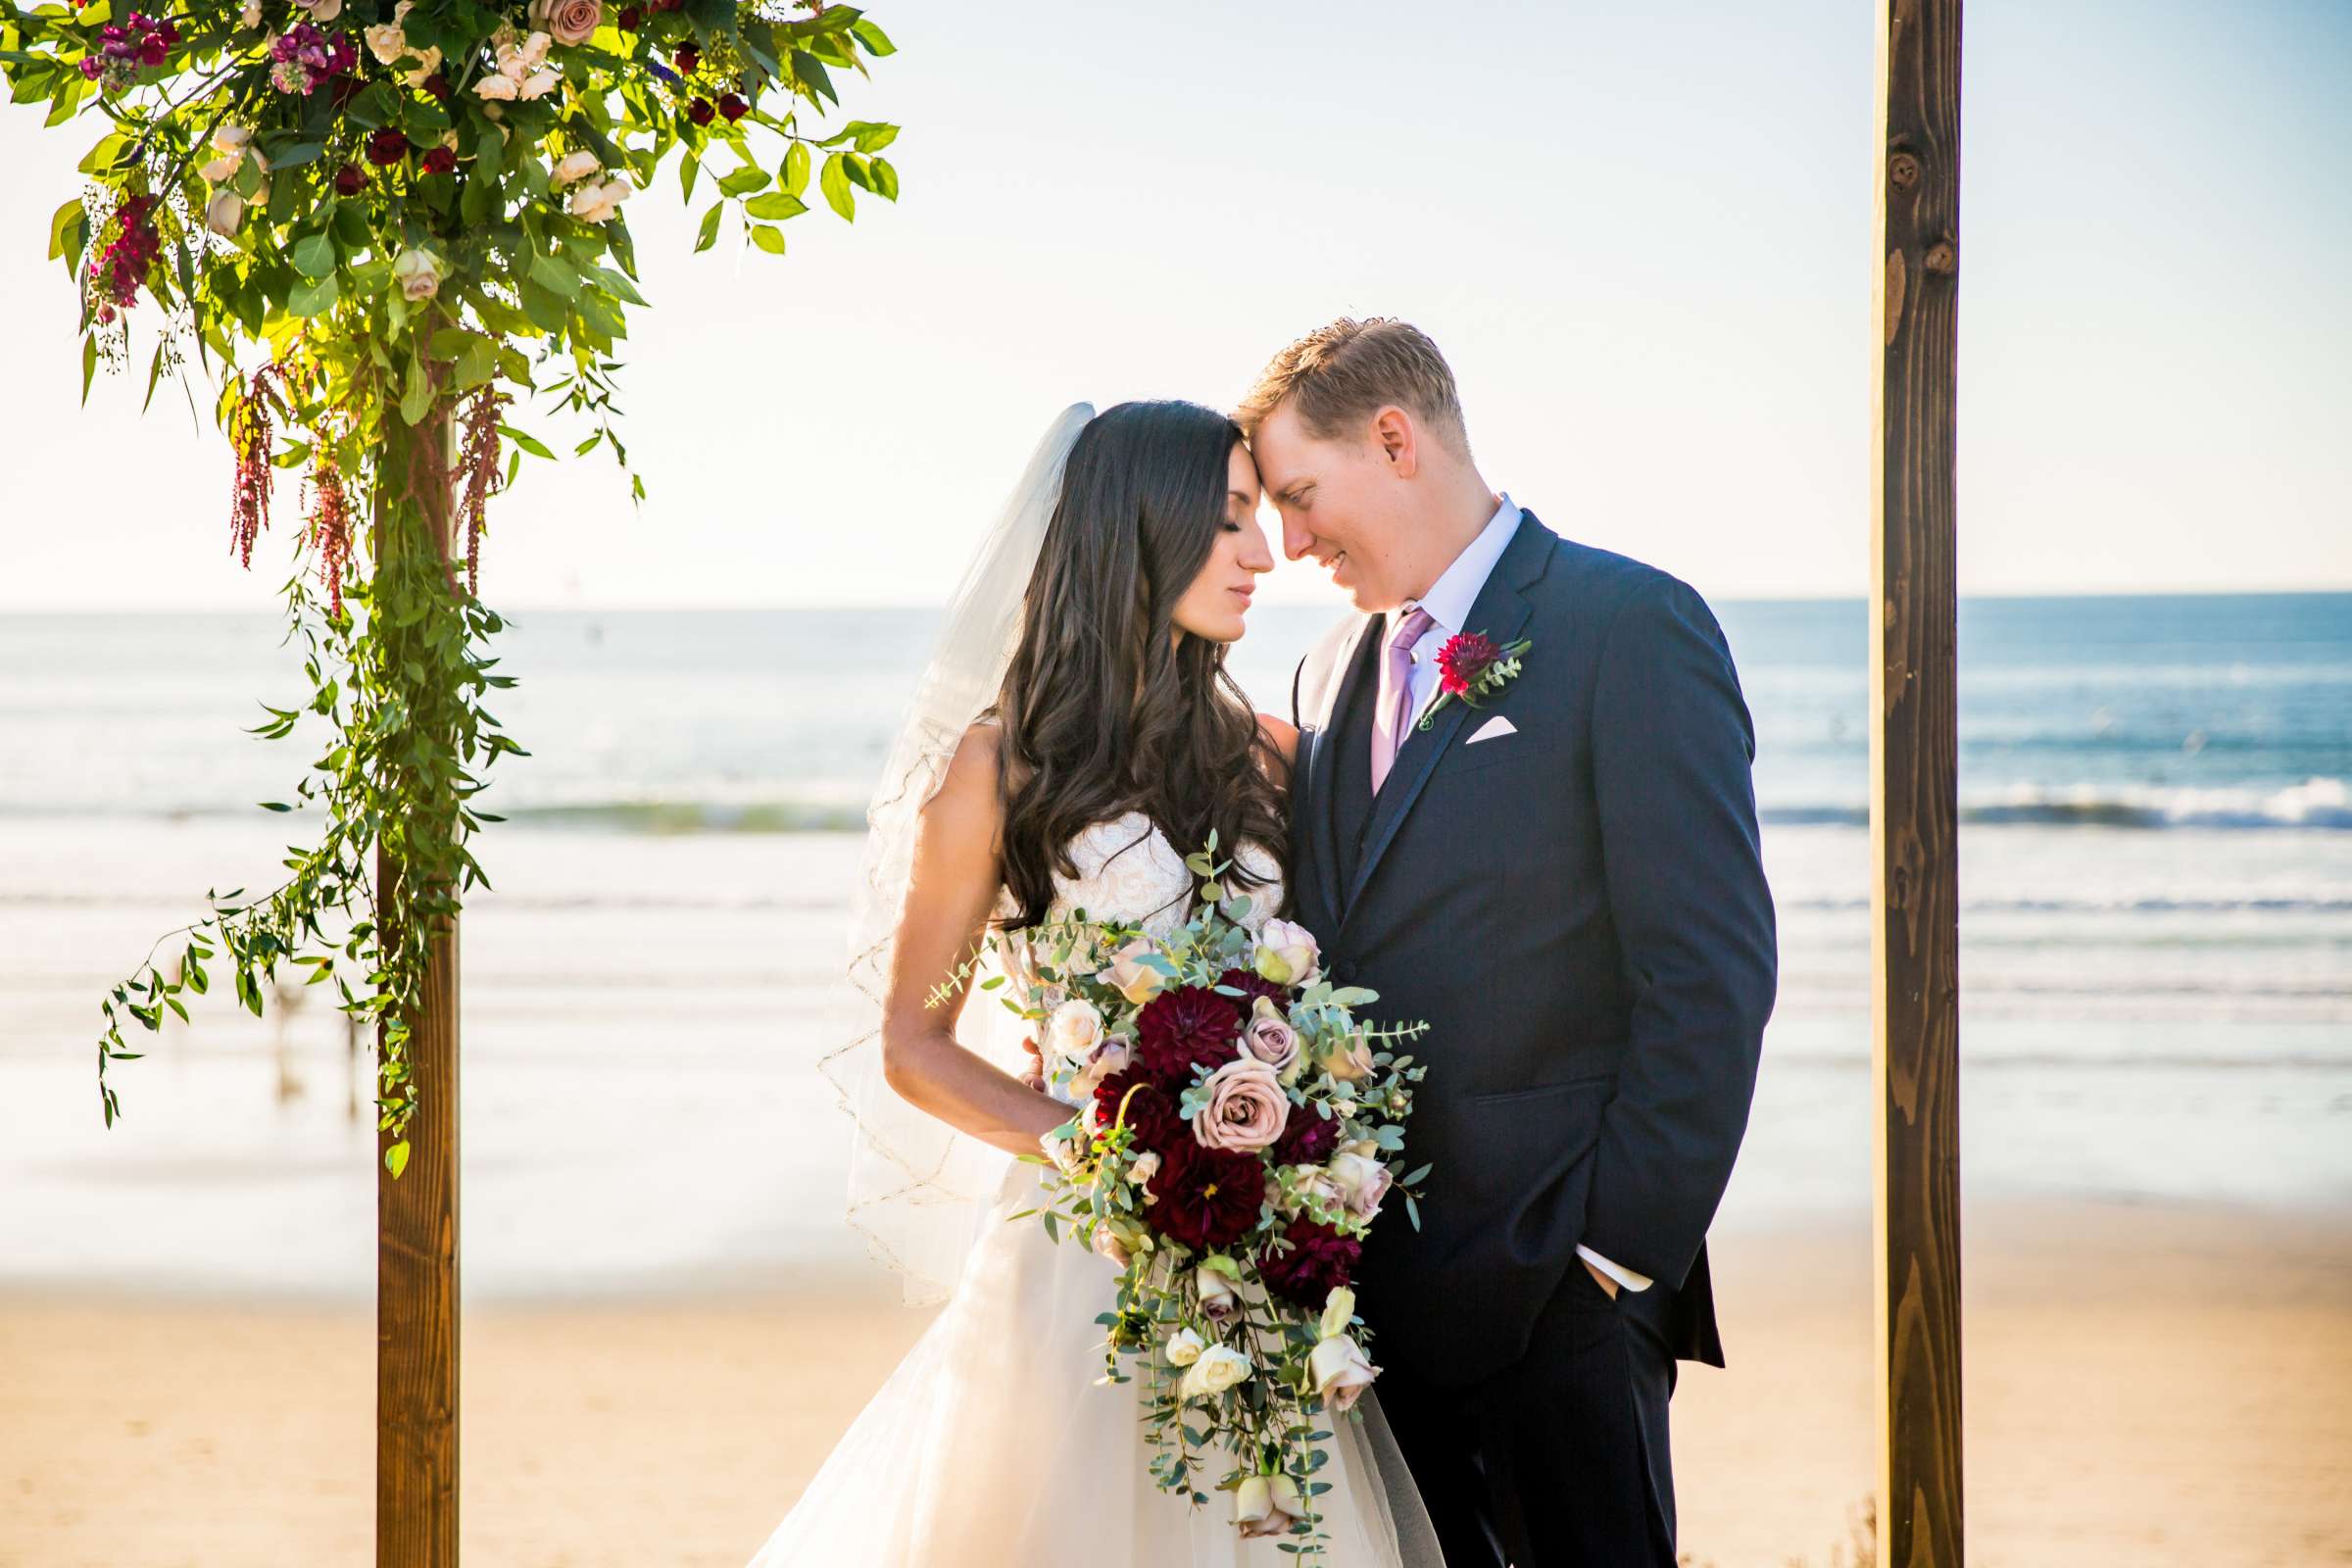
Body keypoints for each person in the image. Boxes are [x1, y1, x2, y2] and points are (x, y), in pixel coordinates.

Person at [746, 400, 1444, 1566]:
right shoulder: (997, 767)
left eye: (1261, 521)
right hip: (1084, 1264)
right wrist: (1114, 1155)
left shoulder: (1267, 750)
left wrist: (1294, 1140)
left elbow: (1323, 984)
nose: (1264, 554)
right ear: (1140, 532)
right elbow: (914, 1044)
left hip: (1256, 1273)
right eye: (1228, 523)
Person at [1244, 318, 1779, 1568]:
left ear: (1394, 439)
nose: (1293, 542)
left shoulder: (1627, 623)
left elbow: (1708, 966)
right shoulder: (1327, 671)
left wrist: (1612, 1254)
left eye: (1301, 496)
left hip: (1564, 1294)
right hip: (1377, 1305)